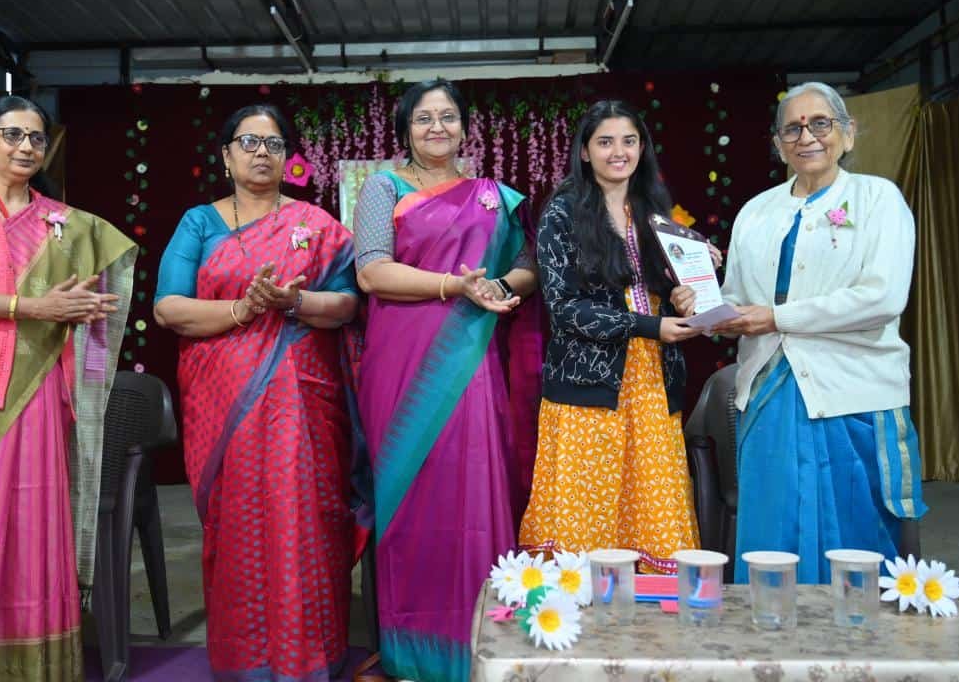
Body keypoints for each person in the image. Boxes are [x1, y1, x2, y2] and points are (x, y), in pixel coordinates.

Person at [0, 95, 136, 681]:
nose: (26, 147)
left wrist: (85, 310)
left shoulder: (62, 221)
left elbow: (98, 288)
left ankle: (39, 668)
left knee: (36, 529)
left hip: (38, 390)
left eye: (36, 138)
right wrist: (31, 306)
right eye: (12, 134)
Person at [673, 81, 927, 584]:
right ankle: (771, 629)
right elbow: (737, 297)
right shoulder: (756, 211)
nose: (807, 137)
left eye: (820, 124)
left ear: (848, 133)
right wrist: (700, 305)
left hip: (854, 394)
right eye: (792, 128)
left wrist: (777, 317)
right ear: (778, 143)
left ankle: (860, 633)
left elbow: (881, 298)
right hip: (769, 395)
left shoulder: (878, 199)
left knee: (856, 541)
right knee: (773, 539)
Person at [154, 104, 366, 682]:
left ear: (288, 158)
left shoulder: (316, 224)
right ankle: (246, 661)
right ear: (226, 156)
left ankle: (309, 657)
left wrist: (294, 301)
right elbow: (169, 307)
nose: (261, 153)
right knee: (240, 523)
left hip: (303, 399)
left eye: (273, 144)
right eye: (248, 142)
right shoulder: (199, 224)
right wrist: (242, 309)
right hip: (224, 404)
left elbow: (349, 303)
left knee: (305, 519)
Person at [353, 79, 542, 682]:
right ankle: (412, 650)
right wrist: (453, 285)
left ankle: (479, 643)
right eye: (423, 118)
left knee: (473, 487)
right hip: (401, 358)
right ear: (405, 129)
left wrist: (493, 288)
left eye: (448, 117)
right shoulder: (383, 188)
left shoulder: (493, 197)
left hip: (471, 355)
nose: (437, 127)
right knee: (408, 497)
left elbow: (529, 264)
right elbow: (371, 272)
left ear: (464, 126)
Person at [518, 99, 704, 572]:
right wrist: (650, 326)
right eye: (605, 142)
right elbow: (564, 308)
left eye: (628, 141)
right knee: (589, 514)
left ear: (642, 148)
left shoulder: (654, 211)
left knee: (653, 504)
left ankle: (651, 616)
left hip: (652, 380)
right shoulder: (562, 213)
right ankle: (582, 611)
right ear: (585, 152)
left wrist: (683, 297)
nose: (618, 152)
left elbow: (660, 288)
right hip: (589, 384)